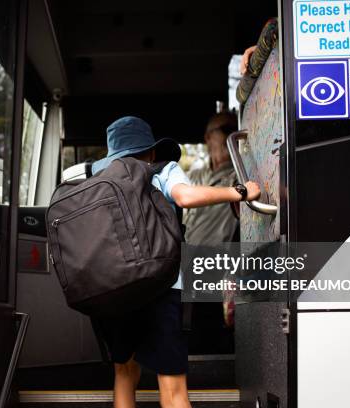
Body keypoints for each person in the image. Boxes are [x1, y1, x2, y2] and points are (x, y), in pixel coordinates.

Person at [92, 116, 260, 408]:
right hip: (162, 286)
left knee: (123, 373)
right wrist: (241, 191)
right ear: (153, 151)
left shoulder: (100, 182)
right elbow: (184, 197)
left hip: (114, 289)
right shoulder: (162, 170)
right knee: (172, 388)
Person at [183, 111, 240, 246]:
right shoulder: (192, 176)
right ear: (208, 138)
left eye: (236, 129)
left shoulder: (241, 175)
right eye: (227, 130)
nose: (233, 135)